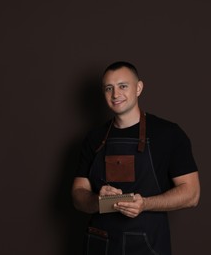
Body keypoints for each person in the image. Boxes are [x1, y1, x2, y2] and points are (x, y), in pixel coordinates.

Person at [71, 61, 200, 255]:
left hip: (147, 245)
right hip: (101, 244)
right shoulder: (94, 138)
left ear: (138, 88)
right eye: (109, 88)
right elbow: (77, 195)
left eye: (123, 86)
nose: (115, 95)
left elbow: (192, 194)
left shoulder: (168, 134)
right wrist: (98, 199)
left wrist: (145, 203)